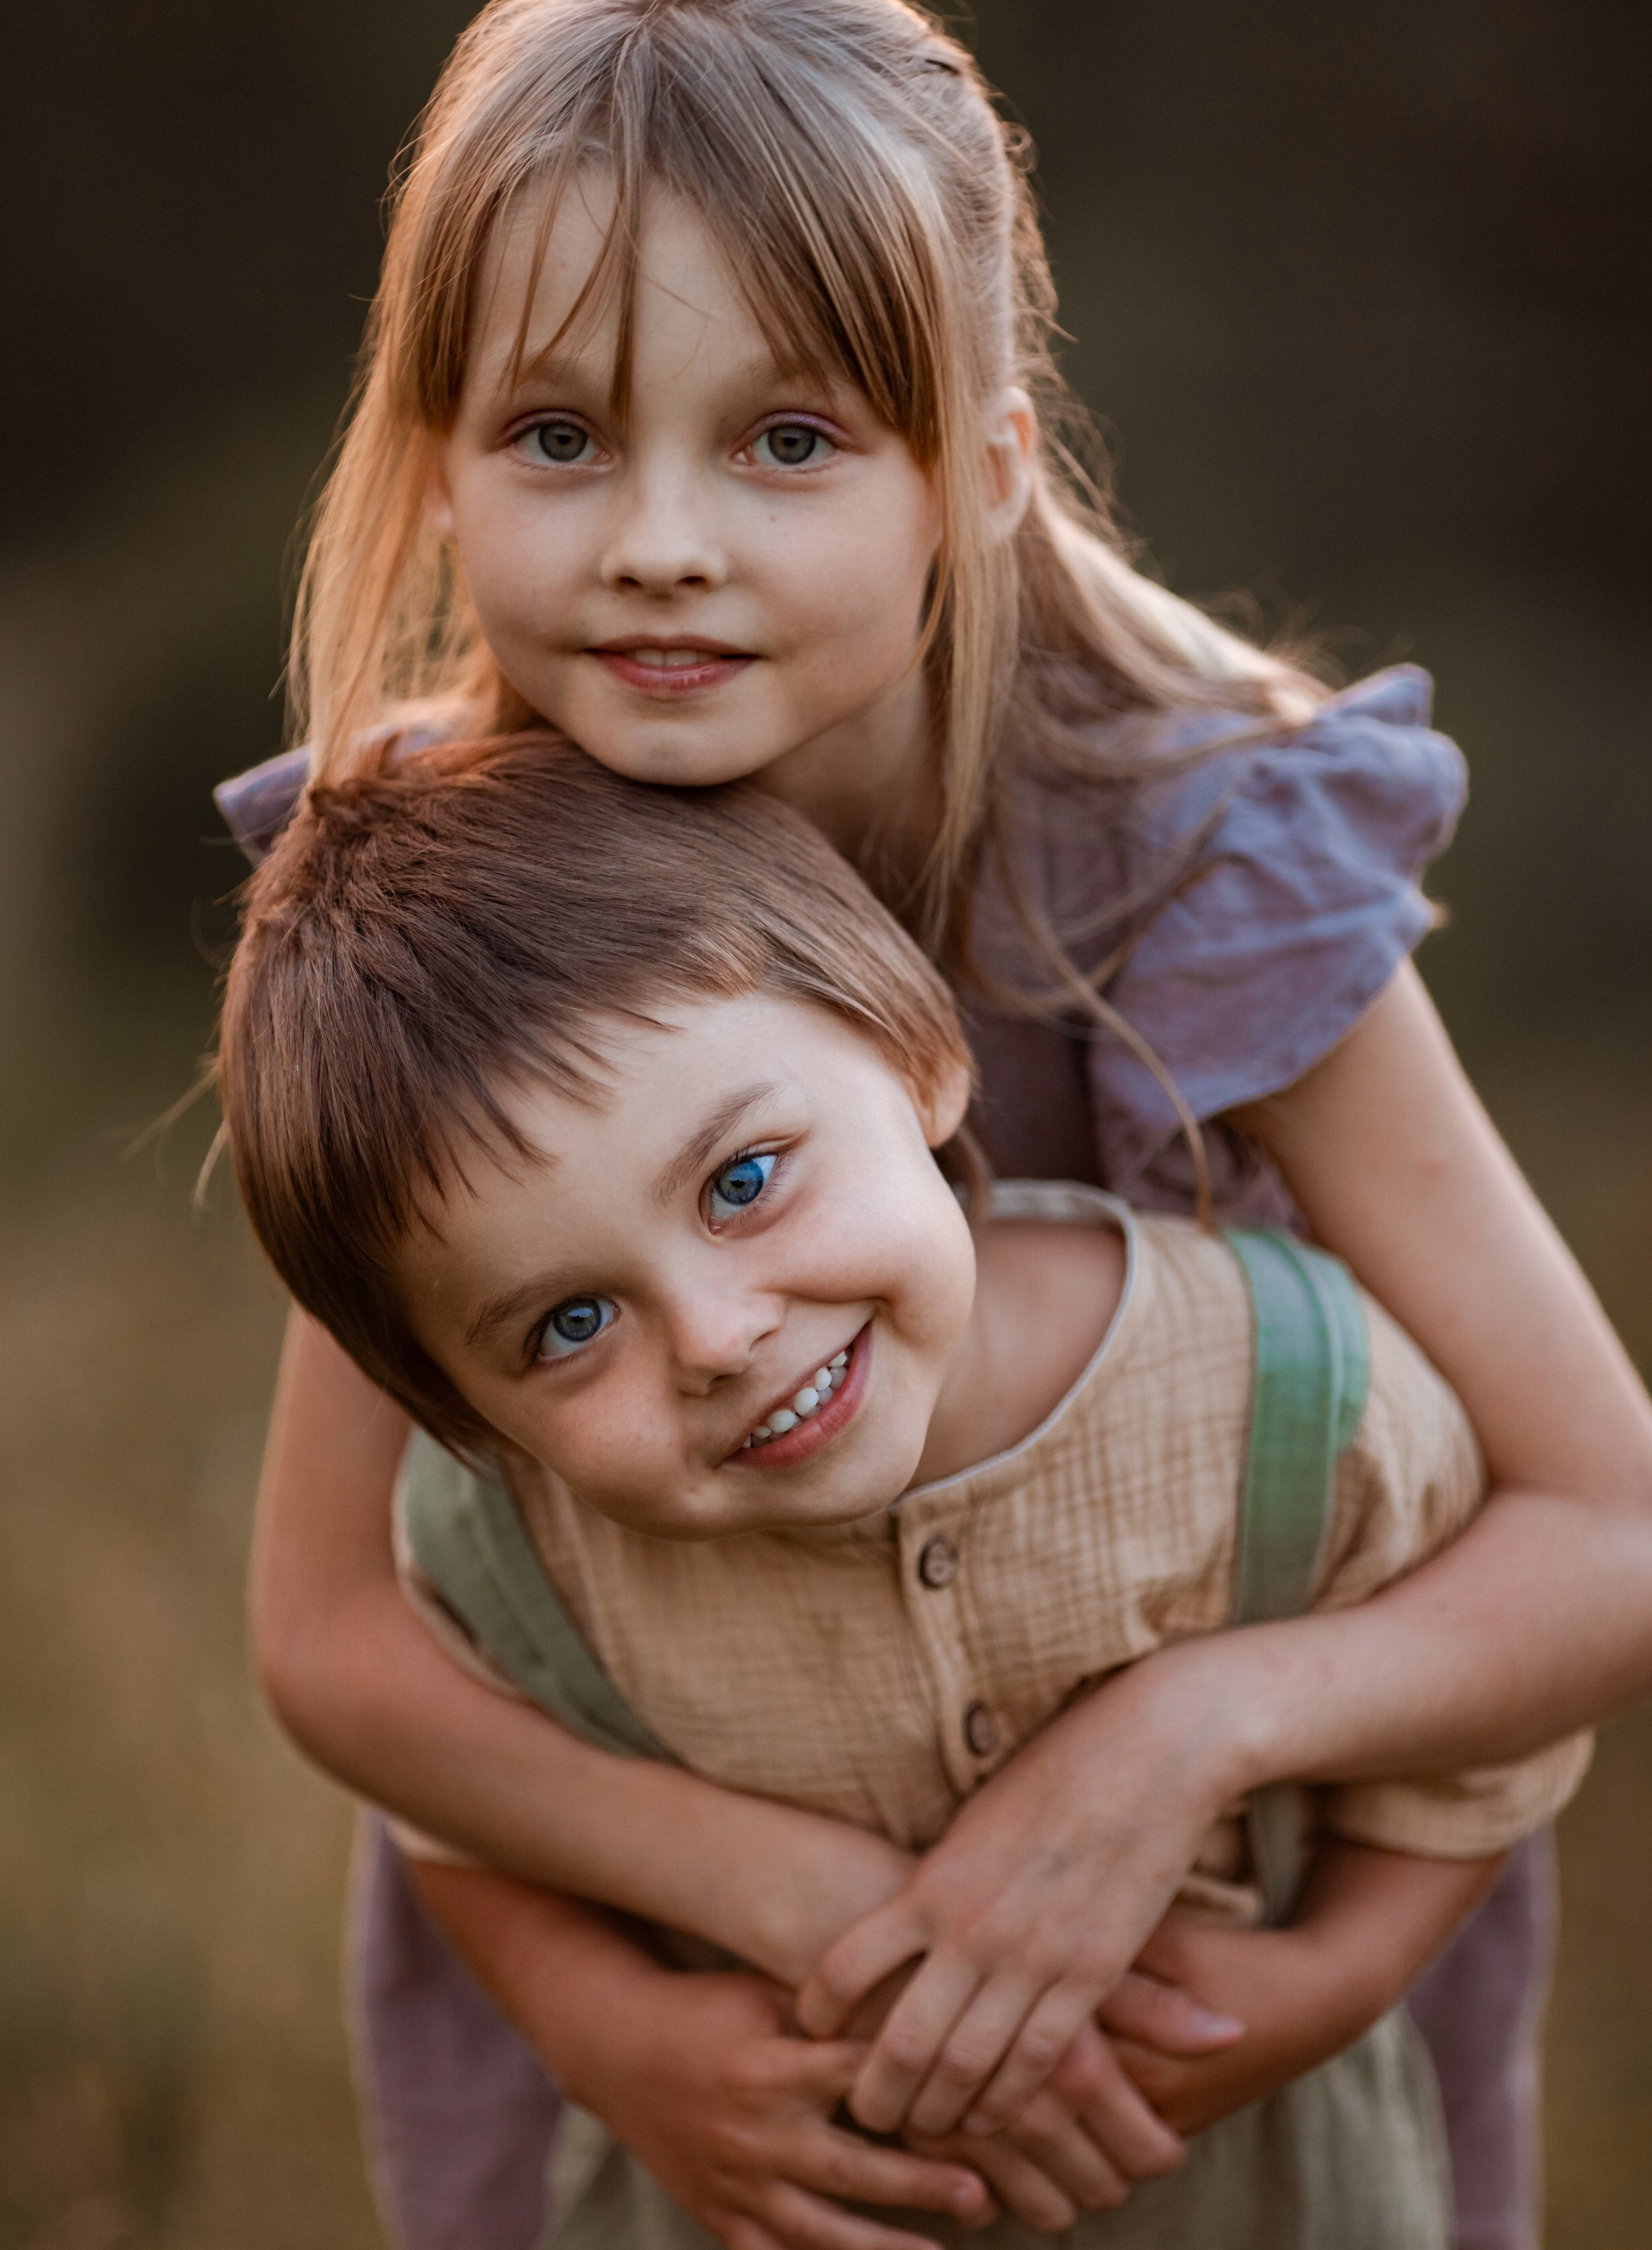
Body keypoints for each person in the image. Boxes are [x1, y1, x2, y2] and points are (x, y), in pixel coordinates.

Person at [218, 0, 1652, 2250]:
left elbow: (1607, 1525)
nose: (662, 543)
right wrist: (667, 1992)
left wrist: (1191, 1770)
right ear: (440, 462)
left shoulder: (1192, 853)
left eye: (785, 440)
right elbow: (336, 1633)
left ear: (975, 470)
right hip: (719, 2053)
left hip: (1214, 1996)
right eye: (559, 435)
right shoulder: (434, 902)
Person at [217, 732, 1591, 2250]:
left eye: (742, 1181)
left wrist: (1326, 1981)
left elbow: (1477, 1745)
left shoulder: (1283, 1389)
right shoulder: (518, 1566)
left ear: (922, 1054)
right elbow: (455, 1825)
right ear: (454, 1412)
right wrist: (611, 2030)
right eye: (569, 1325)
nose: (719, 1341)